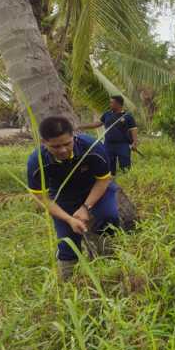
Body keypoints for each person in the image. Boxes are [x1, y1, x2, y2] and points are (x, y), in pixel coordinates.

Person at [27, 116, 120, 280]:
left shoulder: (91, 147)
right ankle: (68, 283)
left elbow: (104, 179)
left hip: (95, 188)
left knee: (108, 217)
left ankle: (107, 261)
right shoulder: (37, 161)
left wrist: (85, 207)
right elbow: (41, 196)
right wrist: (69, 219)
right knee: (67, 244)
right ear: (43, 142)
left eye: (67, 144)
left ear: (74, 136)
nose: (62, 150)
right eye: (55, 146)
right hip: (63, 197)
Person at [78, 95, 138, 175]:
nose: (110, 104)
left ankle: (127, 180)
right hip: (108, 144)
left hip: (123, 144)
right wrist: (81, 126)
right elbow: (97, 124)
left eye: (112, 102)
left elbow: (133, 129)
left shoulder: (128, 116)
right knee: (109, 166)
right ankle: (111, 182)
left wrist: (134, 142)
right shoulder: (107, 114)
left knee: (125, 166)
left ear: (118, 104)